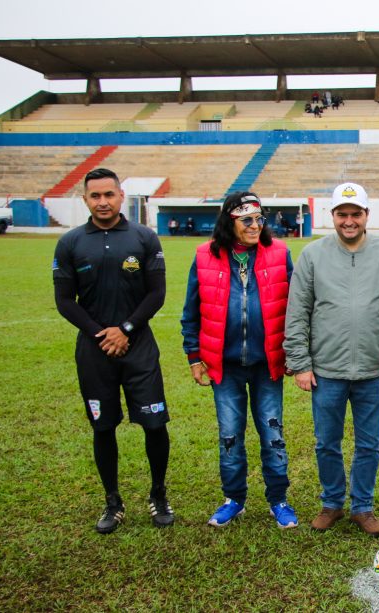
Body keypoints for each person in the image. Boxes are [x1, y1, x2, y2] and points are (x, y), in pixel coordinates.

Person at [284, 182, 379, 536]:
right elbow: (297, 312)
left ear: (366, 215)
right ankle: (331, 503)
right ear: (333, 216)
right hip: (325, 369)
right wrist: (300, 362)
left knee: (369, 444)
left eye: (356, 213)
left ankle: (362, 506)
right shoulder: (312, 255)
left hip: (375, 370)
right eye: (342, 214)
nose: (349, 220)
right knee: (326, 442)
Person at [53, 168, 173, 534]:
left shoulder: (144, 238)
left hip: (139, 349)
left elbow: (157, 294)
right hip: (94, 352)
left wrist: (125, 330)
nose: (102, 202)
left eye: (109, 194)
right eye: (95, 196)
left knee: (154, 423)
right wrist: (101, 334)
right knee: (103, 426)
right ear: (85, 198)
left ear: (121, 196)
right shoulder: (70, 243)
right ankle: (113, 501)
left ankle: (158, 494)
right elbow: (64, 300)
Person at [181, 191, 298, 529]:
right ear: (229, 221)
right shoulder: (205, 256)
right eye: (247, 220)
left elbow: (294, 307)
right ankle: (234, 499)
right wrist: (194, 355)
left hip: (268, 365)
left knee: (273, 433)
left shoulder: (278, 253)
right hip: (225, 366)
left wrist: (292, 351)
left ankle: (278, 500)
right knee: (230, 434)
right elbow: (191, 311)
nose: (255, 226)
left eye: (259, 219)